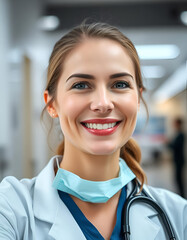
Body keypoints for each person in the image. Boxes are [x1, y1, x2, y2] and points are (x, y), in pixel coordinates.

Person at [0, 22, 186, 240]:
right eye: (81, 85)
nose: (103, 103)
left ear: (138, 98)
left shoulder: (178, 215)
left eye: (120, 84)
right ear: (51, 104)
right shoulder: (11, 210)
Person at [168, 118, 186, 198]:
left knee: (179, 179)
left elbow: (175, 146)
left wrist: (168, 143)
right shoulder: (178, 134)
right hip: (177, 159)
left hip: (179, 160)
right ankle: (181, 194)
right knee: (177, 178)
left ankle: (182, 195)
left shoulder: (181, 134)